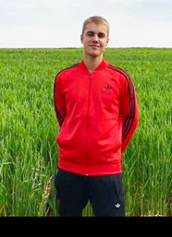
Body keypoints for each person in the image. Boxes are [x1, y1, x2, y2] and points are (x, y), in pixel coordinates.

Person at [53, 16, 139, 217]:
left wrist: (112, 148)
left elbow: (131, 118)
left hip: (107, 171)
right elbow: (63, 116)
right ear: (81, 38)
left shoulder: (120, 78)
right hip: (69, 169)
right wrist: (73, 139)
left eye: (101, 35)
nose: (95, 39)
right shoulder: (64, 78)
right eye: (90, 34)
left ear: (107, 41)